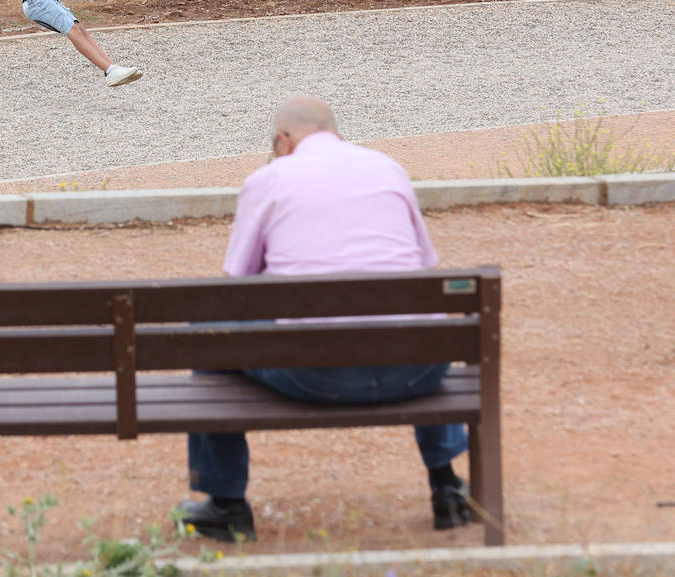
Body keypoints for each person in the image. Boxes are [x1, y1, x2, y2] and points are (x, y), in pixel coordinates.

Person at [177, 95, 471, 542]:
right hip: (416, 371)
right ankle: (447, 487)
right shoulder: (388, 168)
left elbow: (235, 290)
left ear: (284, 139)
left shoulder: (268, 180)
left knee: (211, 332)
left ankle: (227, 504)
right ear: (335, 132)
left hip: (313, 375)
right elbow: (423, 267)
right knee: (417, 320)